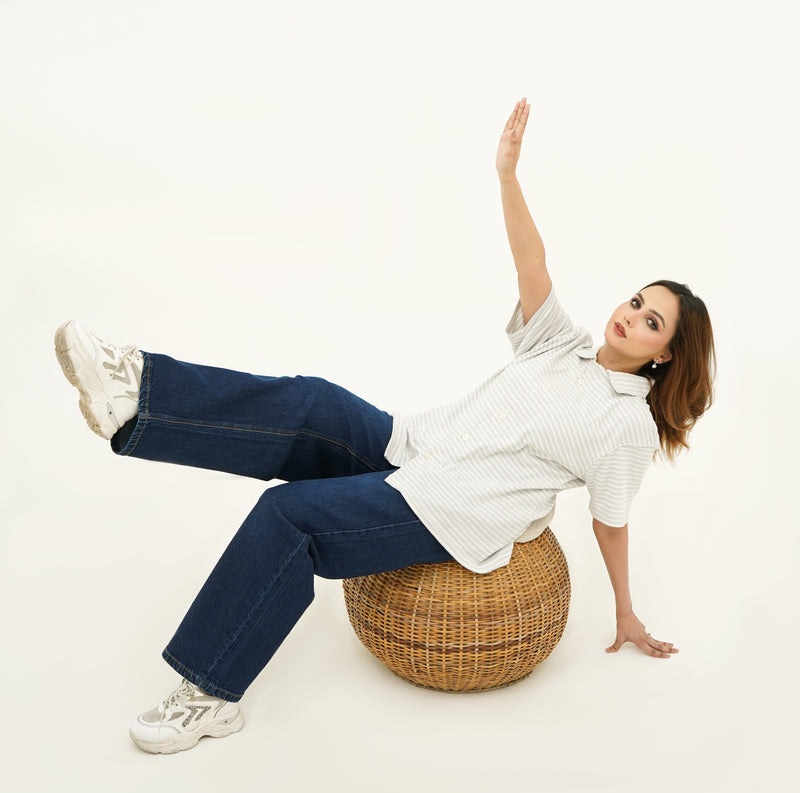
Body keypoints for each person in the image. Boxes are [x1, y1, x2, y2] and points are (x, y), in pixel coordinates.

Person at [54, 98, 716, 755]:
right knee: (315, 401)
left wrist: (625, 610)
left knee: (288, 515)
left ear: (663, 356)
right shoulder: (561, 344)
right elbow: (532, 266)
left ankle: (208, 693)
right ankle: (136, 395)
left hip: (450, 509)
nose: (631, 315)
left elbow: (611, 520)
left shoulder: (625, 423)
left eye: (652, 322)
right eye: (636, 300)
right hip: (414, 447)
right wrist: (508, 178)